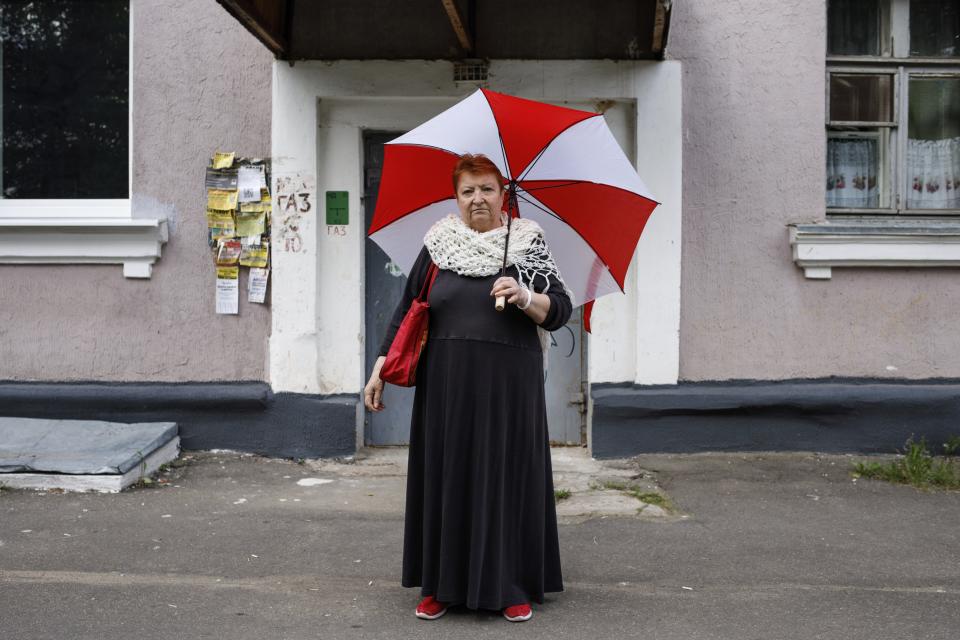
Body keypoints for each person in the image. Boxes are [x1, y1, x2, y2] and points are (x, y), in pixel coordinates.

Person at [364, 153, 572, 623]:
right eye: (467, 190)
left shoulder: (529, 245)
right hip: (447, 387)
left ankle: (510, 585)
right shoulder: (438, 245)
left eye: (487, 189)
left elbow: (561, 309)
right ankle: (441, 587)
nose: (478, 198)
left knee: (504, 477)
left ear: (504, 196)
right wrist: (379, 369)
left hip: (509, 389)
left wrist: (524, 296)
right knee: (448, 476)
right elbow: (408, 310)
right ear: (456, 198)